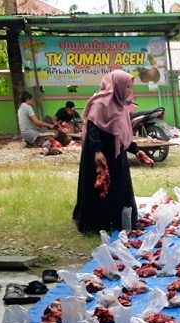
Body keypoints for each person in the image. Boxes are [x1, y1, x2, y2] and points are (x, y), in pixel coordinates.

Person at [72, 71, 154, 235]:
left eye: (130, 87)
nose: (129, 91)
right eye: (127, 87)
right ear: (116, 86)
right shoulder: (100, 103)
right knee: (99, 187)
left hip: (116, 153)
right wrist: (97, 151)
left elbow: (122, 133)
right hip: (99, 151)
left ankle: (118, 220)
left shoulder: (120, 105)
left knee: (119, 185)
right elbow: (93, 127)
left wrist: (136, 151)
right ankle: (96, 223)